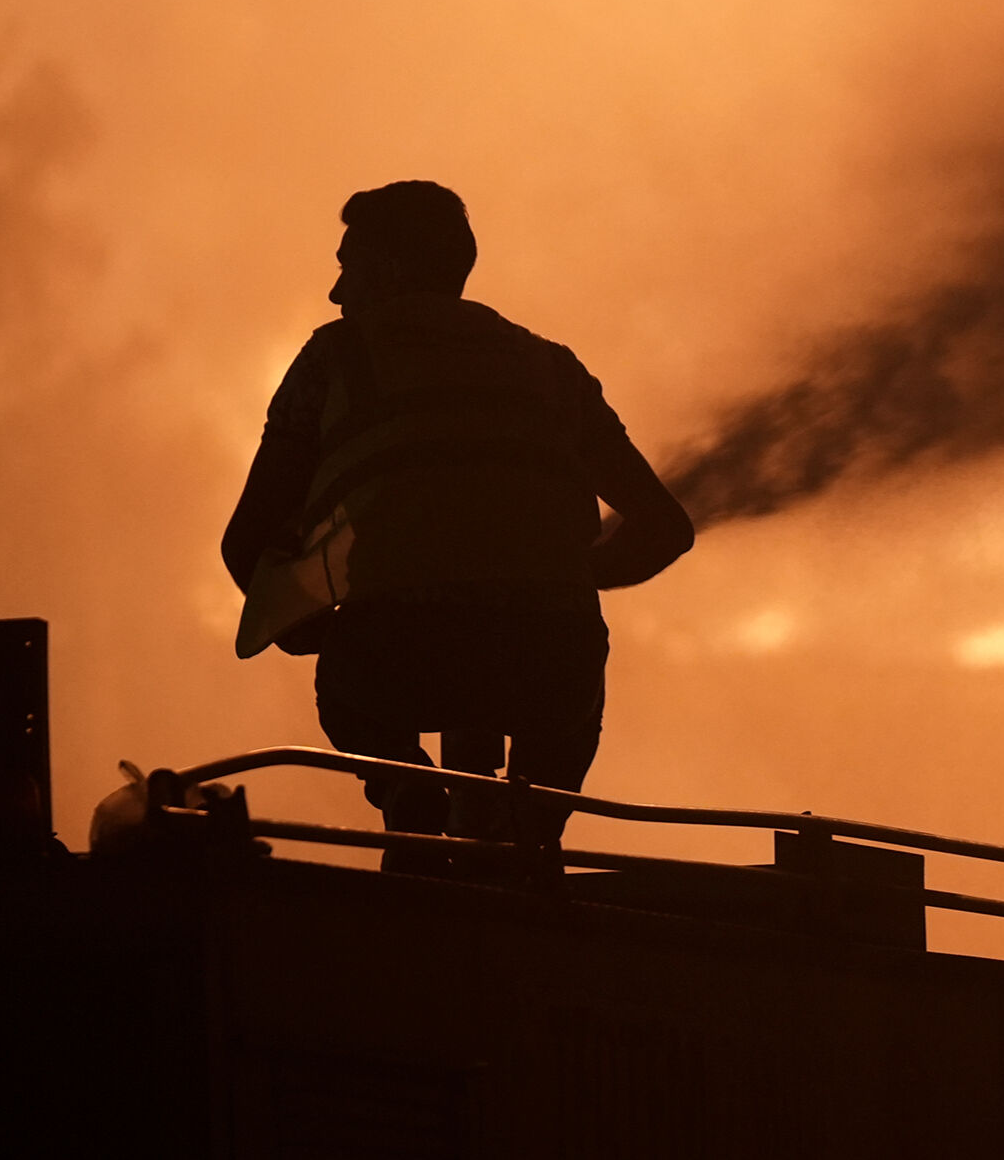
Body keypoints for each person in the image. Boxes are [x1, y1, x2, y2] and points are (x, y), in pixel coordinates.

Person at [222, 180, 693, 857]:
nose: (335, 293)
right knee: (566, 693)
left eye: (345, 266)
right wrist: (562, 574)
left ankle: (407, 792)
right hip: (547, 656)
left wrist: (299, 623)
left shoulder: (335, 357)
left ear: (386, 269)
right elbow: (666, 529)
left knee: (356, 697)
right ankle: (534, 836)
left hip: (397, 648)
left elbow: (247, 540)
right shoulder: (550, 366)